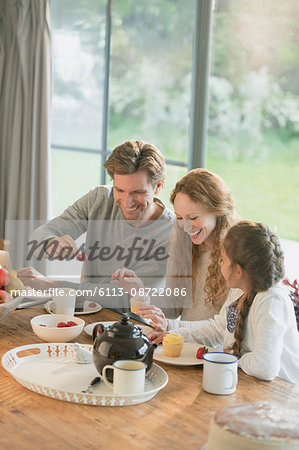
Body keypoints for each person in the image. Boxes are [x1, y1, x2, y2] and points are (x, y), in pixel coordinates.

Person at [18, 140, 175, 309]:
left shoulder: (171, 234)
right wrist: (50, 243)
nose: (127, 202)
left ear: (158, 186)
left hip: (135, 327)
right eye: (119, 190)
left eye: (138, 192)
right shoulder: (99, 199)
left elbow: (122, 299)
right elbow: (44, 232)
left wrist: (52, 286)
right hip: (86, 314)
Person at [149, 221, 299, 384]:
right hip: (250, 384)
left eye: (222, 260)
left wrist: (234, 357)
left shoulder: (271, 301)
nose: (219, 264)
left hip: (284, 394)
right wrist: (173, 334)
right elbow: (218, 328)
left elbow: (265, 368)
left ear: (238, 270)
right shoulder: (240, 288)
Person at [112, 168, 239, 326]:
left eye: (193, 217)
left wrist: (174, 328)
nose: (186, 227)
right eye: (179, 217)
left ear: (217, 210)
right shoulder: (183, 243)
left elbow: (223, 329)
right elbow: (173, 308)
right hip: (184, 342)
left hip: (214, 349)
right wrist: (139, 290)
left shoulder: (236, 254)